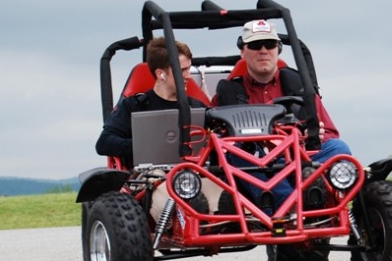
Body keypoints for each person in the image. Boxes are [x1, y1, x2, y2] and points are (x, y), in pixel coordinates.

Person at [209, 19, 352, 213]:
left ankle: (329, 201)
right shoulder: (228, 93)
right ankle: (290, 206)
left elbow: (330, 132)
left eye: (269, 45)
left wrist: (313, 135)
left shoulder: (301, 87)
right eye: (255, 45)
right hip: (256, 164)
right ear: (243, 51)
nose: (263, 51)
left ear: (278, 49)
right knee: (235, 155)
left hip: (297, 158)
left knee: (339, 148)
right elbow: (214, 139)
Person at [95, 37, 222, 220]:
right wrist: (144, 146)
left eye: (188, 69)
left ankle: (214, 218)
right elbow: (104, 143)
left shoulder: (198, 108)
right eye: (182, 70)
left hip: (193, 172)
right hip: (150, 175)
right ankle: (182, 213)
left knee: (224, 196)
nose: (187, 76)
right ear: (161, 74)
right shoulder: (134, 106)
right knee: (159, 183)